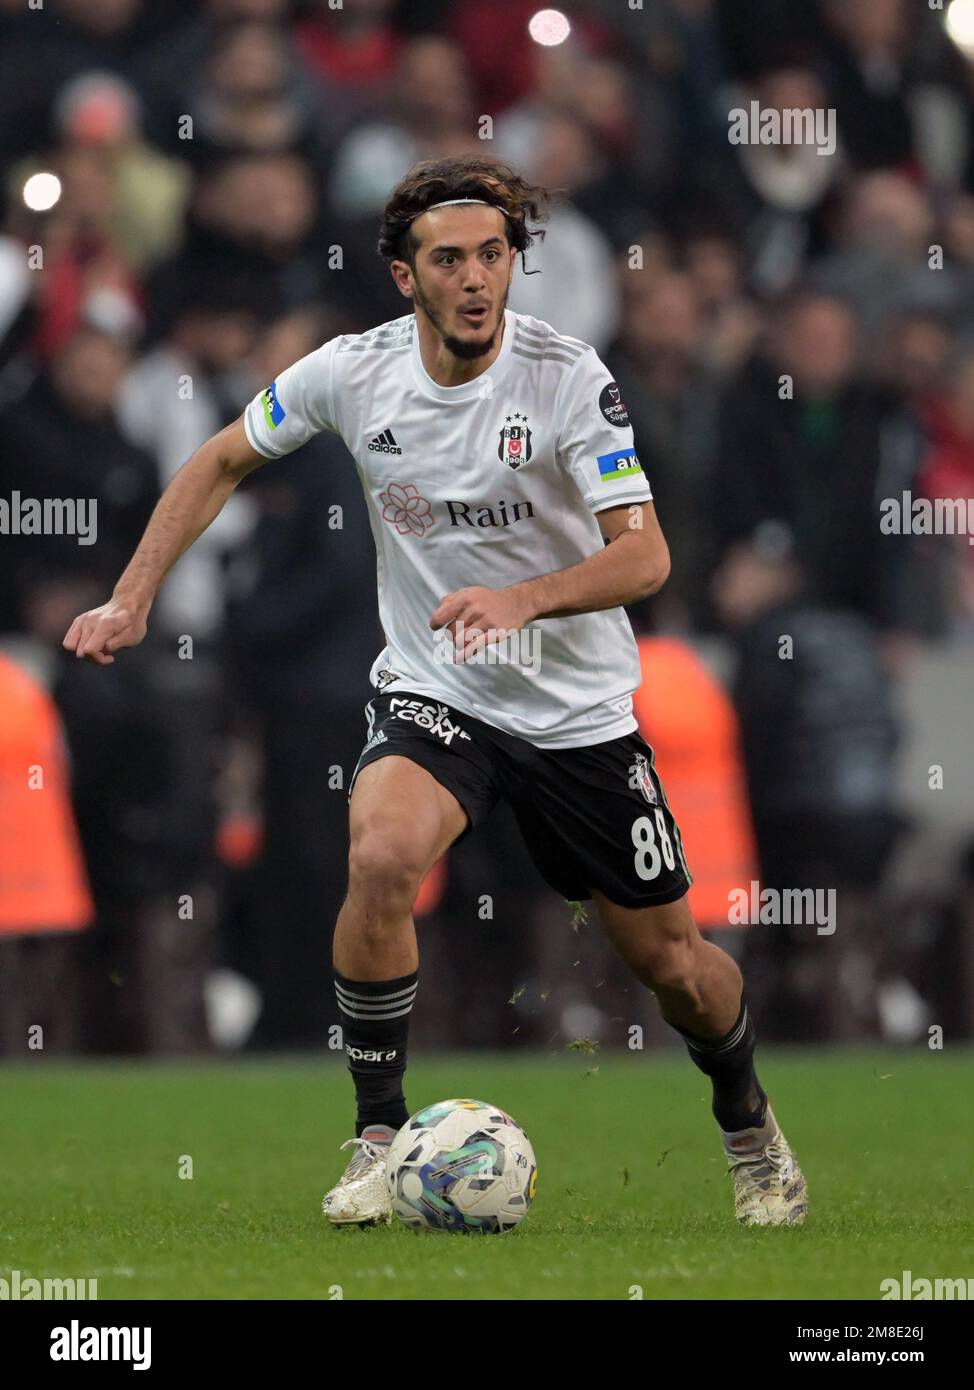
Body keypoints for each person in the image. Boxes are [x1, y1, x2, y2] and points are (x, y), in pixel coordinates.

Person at [62, 154, 806, 1229]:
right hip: (435, 689)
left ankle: (748, 1126)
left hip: (577, 715)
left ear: (513, 264)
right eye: (447, 259)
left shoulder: (565, 377)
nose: (474, 279)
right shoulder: (349, 373)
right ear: (405, 278)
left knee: (675, 966)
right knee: (378, 855)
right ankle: (375, 1135)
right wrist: (132, 599)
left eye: (492, 256)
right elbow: (221, 458)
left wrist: (524, 598)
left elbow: (643, 558)